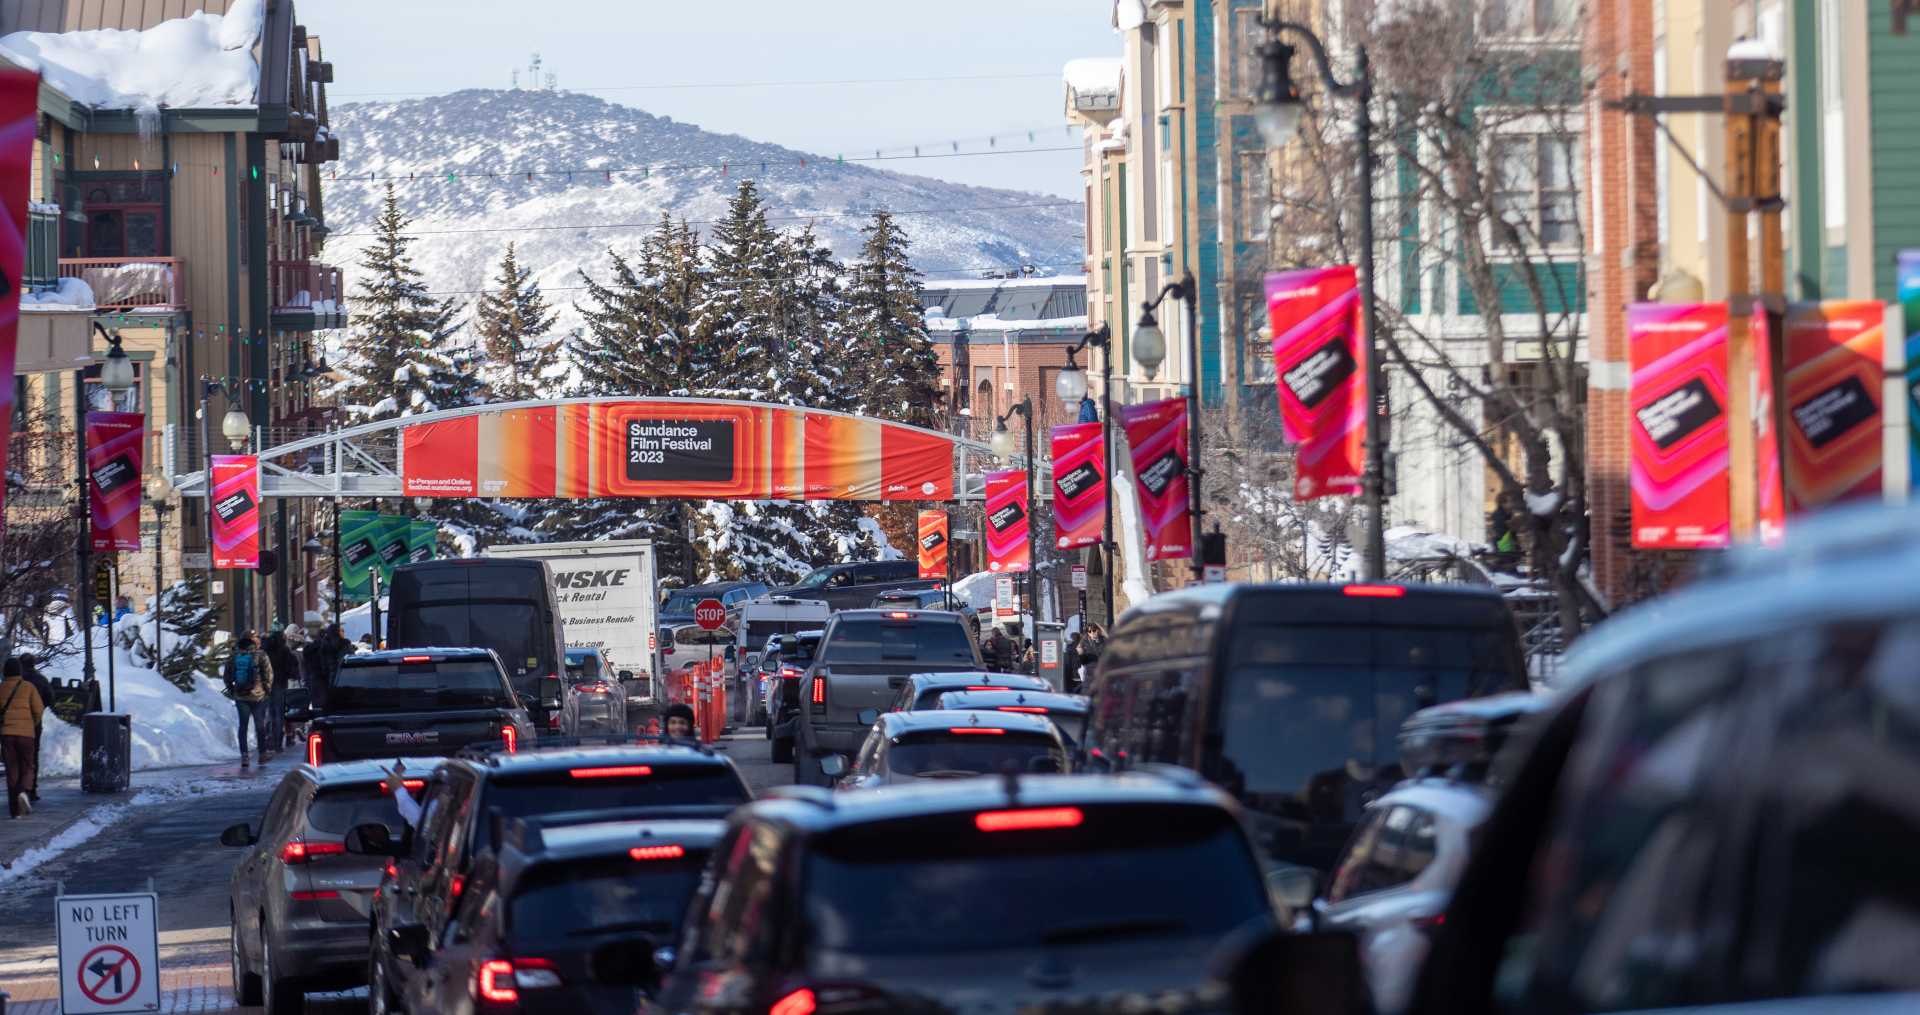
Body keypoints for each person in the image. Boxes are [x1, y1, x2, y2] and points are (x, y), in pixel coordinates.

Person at [221, 633, 275, 768]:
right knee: (260, 725)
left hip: (241, 696)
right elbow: (268, 673)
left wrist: (232, 689)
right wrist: (267, 689)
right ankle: (262, 754)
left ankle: (244, 755)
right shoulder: (261, 655)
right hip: (258, 696)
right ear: (253, 645)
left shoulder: (234, 657)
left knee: (243, 726)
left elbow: (227, 675)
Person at [2, 658, 47, 817]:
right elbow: (39, 709)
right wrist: (31, 724)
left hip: (7, 736)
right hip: (26, 735)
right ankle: (23, 791)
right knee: (28, 765)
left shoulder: (1, 688)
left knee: (12, 770)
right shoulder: (28, 687)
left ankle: (15, 811)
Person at [16, 655, 51, 802]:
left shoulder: (13, 680)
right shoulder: (41, 680)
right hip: (34, 723)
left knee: (15, 757)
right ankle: (31, 789)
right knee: (32, 757)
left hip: (15, 724)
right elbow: (50, 698)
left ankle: (17, 790)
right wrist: (39, 709)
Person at [263, 626, 301, 749]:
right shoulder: (285, 651)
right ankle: (278, 742)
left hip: (266, 685)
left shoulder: (266, 650)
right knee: (279, 714)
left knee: (269, 712)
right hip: (280, 684)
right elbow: (292, 666)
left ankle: (268, 738)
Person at [302, 623, 346, 710]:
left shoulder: (311, 648)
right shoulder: (334, 646)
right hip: (334, 680)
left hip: (315, 680)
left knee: (318, 707)